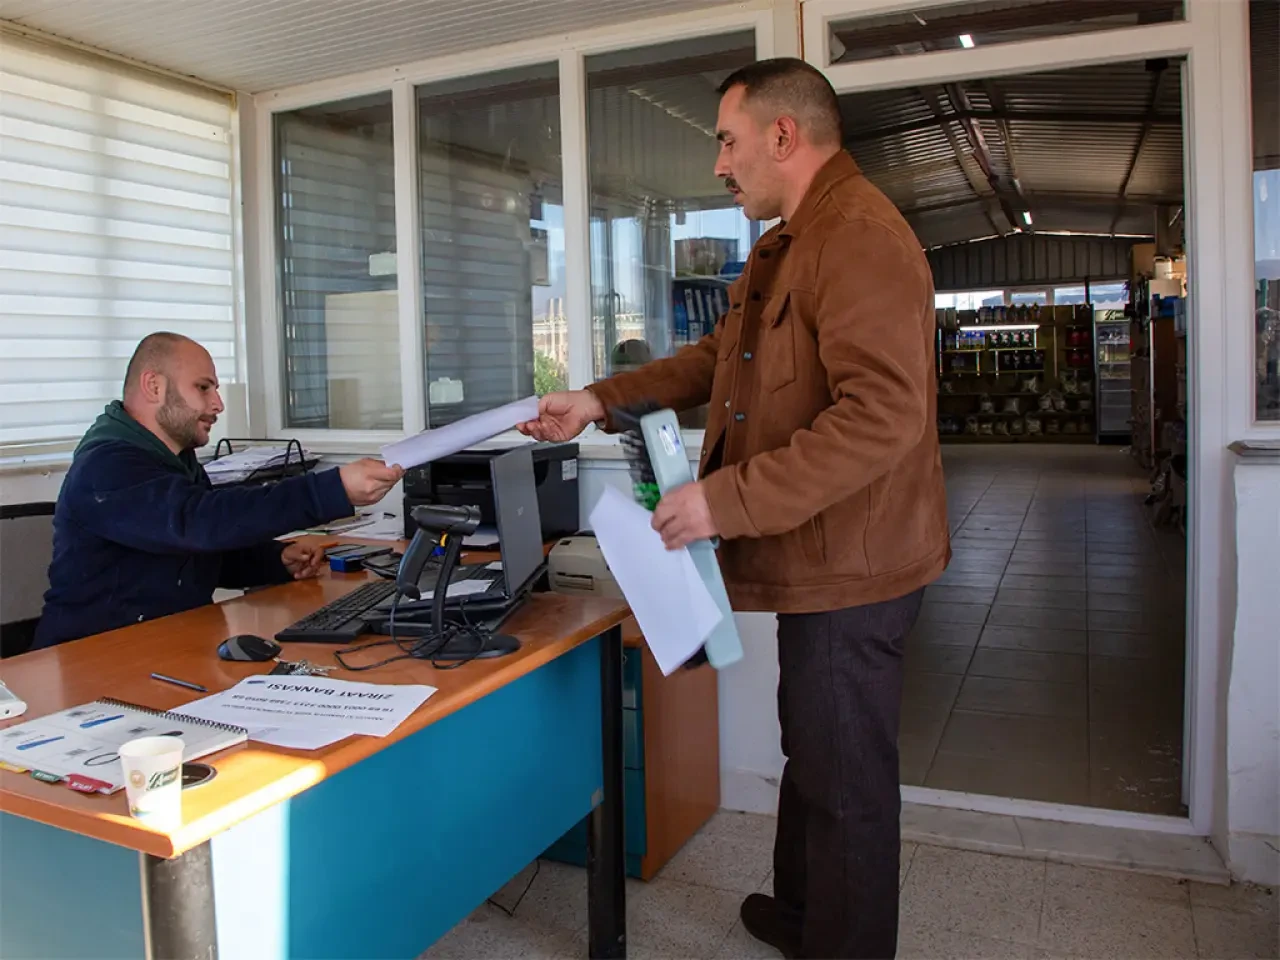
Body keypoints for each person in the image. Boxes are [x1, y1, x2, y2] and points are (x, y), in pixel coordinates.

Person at [521, 58, 948, 959]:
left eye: (727, 140)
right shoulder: (787, 243)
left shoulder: (860, 236)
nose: (720, 166)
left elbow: (883, 417)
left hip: (856, 566)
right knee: (815, 748)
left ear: (783, 136)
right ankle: (801, 914)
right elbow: (717, 362)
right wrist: (600, 398)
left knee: (845, 781)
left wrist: (725, 499)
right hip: (817, 556)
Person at [34, 333, 403, 649]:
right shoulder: (107, 465)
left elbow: (196, 555)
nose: (217, 404)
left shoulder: (176, 460)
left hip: (166, 645)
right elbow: (197, 522)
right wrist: (331, 488)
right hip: (96, 657)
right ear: (153, 386)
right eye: (203, 387)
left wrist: (274, 560)